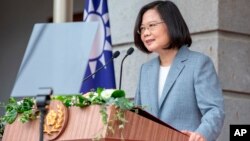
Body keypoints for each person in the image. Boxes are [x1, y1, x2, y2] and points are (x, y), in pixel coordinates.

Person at [133, 1, 225, 141]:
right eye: (142, 28)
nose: (145, 33)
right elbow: (137, 116)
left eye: (151, 26)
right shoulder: (145, 70)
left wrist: (201, 135)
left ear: (171, 24)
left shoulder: (198, 64)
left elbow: (214, 110)